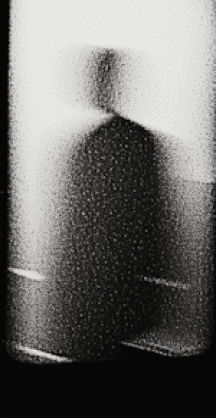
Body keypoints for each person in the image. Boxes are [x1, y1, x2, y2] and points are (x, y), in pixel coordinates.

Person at [48, 47, 169, 360]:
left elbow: (71, 223)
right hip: (118, 288)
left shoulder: (87, 146)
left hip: (96, 289)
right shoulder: (140, 142)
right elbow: (153, 221)